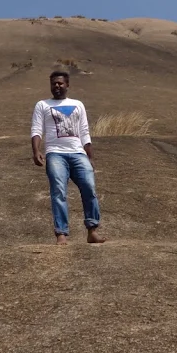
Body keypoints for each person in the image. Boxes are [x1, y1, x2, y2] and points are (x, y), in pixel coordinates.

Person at [30, 70, 106, 245]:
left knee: (89, 188)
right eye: (53, 83)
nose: (57, 86)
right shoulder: (42, 105)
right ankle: (61, 234)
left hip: (78, 153)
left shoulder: (77, 104)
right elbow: (36, 130)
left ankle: (92, 230)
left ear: (67, 85)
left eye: (60, 83)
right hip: (55, 154)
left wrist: (90, 156)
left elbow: (84, 131)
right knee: (58, 192)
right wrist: (36, 151)